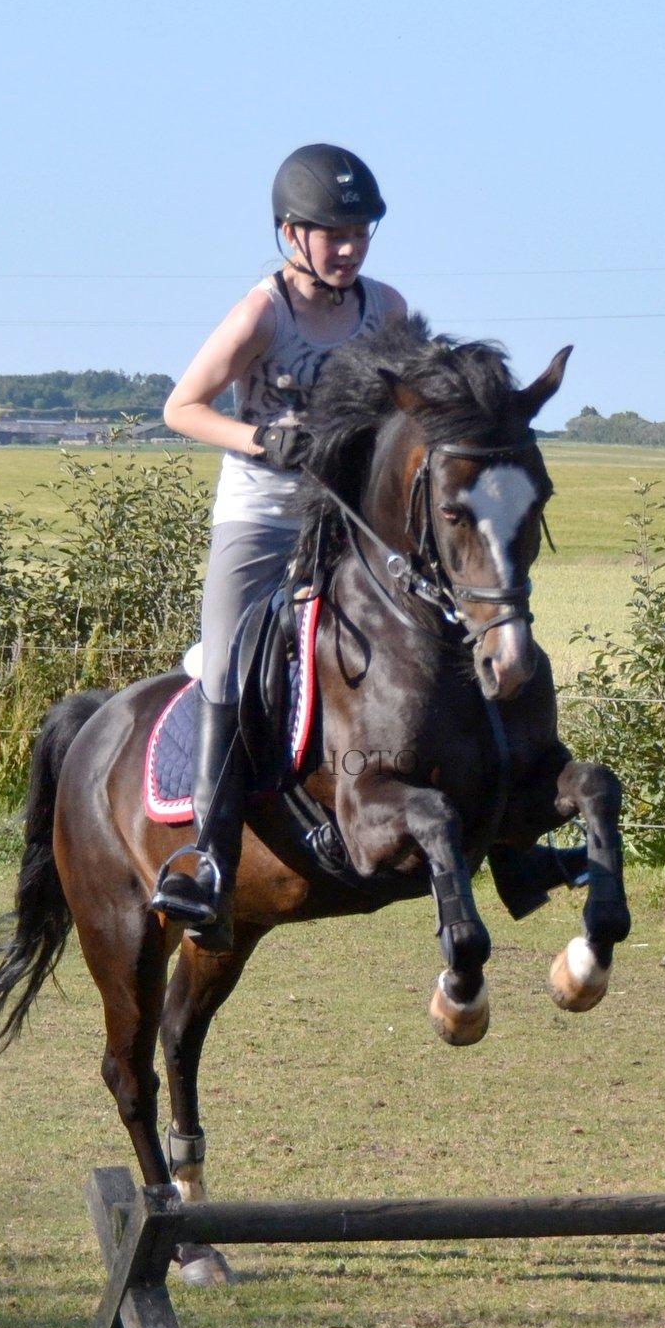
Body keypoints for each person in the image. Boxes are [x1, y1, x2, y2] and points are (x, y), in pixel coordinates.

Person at [150, 144, 407, 949]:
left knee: (440, 627)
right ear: (291, 234)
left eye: (359, 232)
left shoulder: (387, 308)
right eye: (334, 233)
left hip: (349, 521)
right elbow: (181, 408)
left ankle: (506, 842)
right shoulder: (260, 314)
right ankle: (209, 864)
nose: (350, 247)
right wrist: (261, 438)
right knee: (226, 664)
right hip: (260, 520)